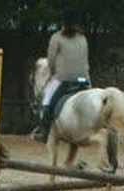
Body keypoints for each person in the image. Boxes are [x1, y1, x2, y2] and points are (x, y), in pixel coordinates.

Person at [33, 9, 91, 143]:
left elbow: (51, 60)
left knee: (47, 100)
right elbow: (85, 60)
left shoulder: (56, 37)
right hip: (84, 79)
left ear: (63, 23)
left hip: (64, 78)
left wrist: (53, 73)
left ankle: (44, 131)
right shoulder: (83, 38)